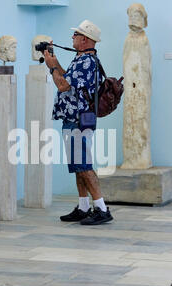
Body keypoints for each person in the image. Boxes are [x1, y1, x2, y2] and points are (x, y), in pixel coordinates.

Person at [43, 20, 113, 225]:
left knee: (84, 165)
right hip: (74, 118)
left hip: (79, 120)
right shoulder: (81, 59)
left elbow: (63, 85)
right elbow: (68, 79)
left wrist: (50, 68)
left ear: (85, 39)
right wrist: (55, 64)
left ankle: (101, 208)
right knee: (77, 165)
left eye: (75, 35)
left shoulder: (86, 62)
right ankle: (84, 207)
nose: (72, 37)